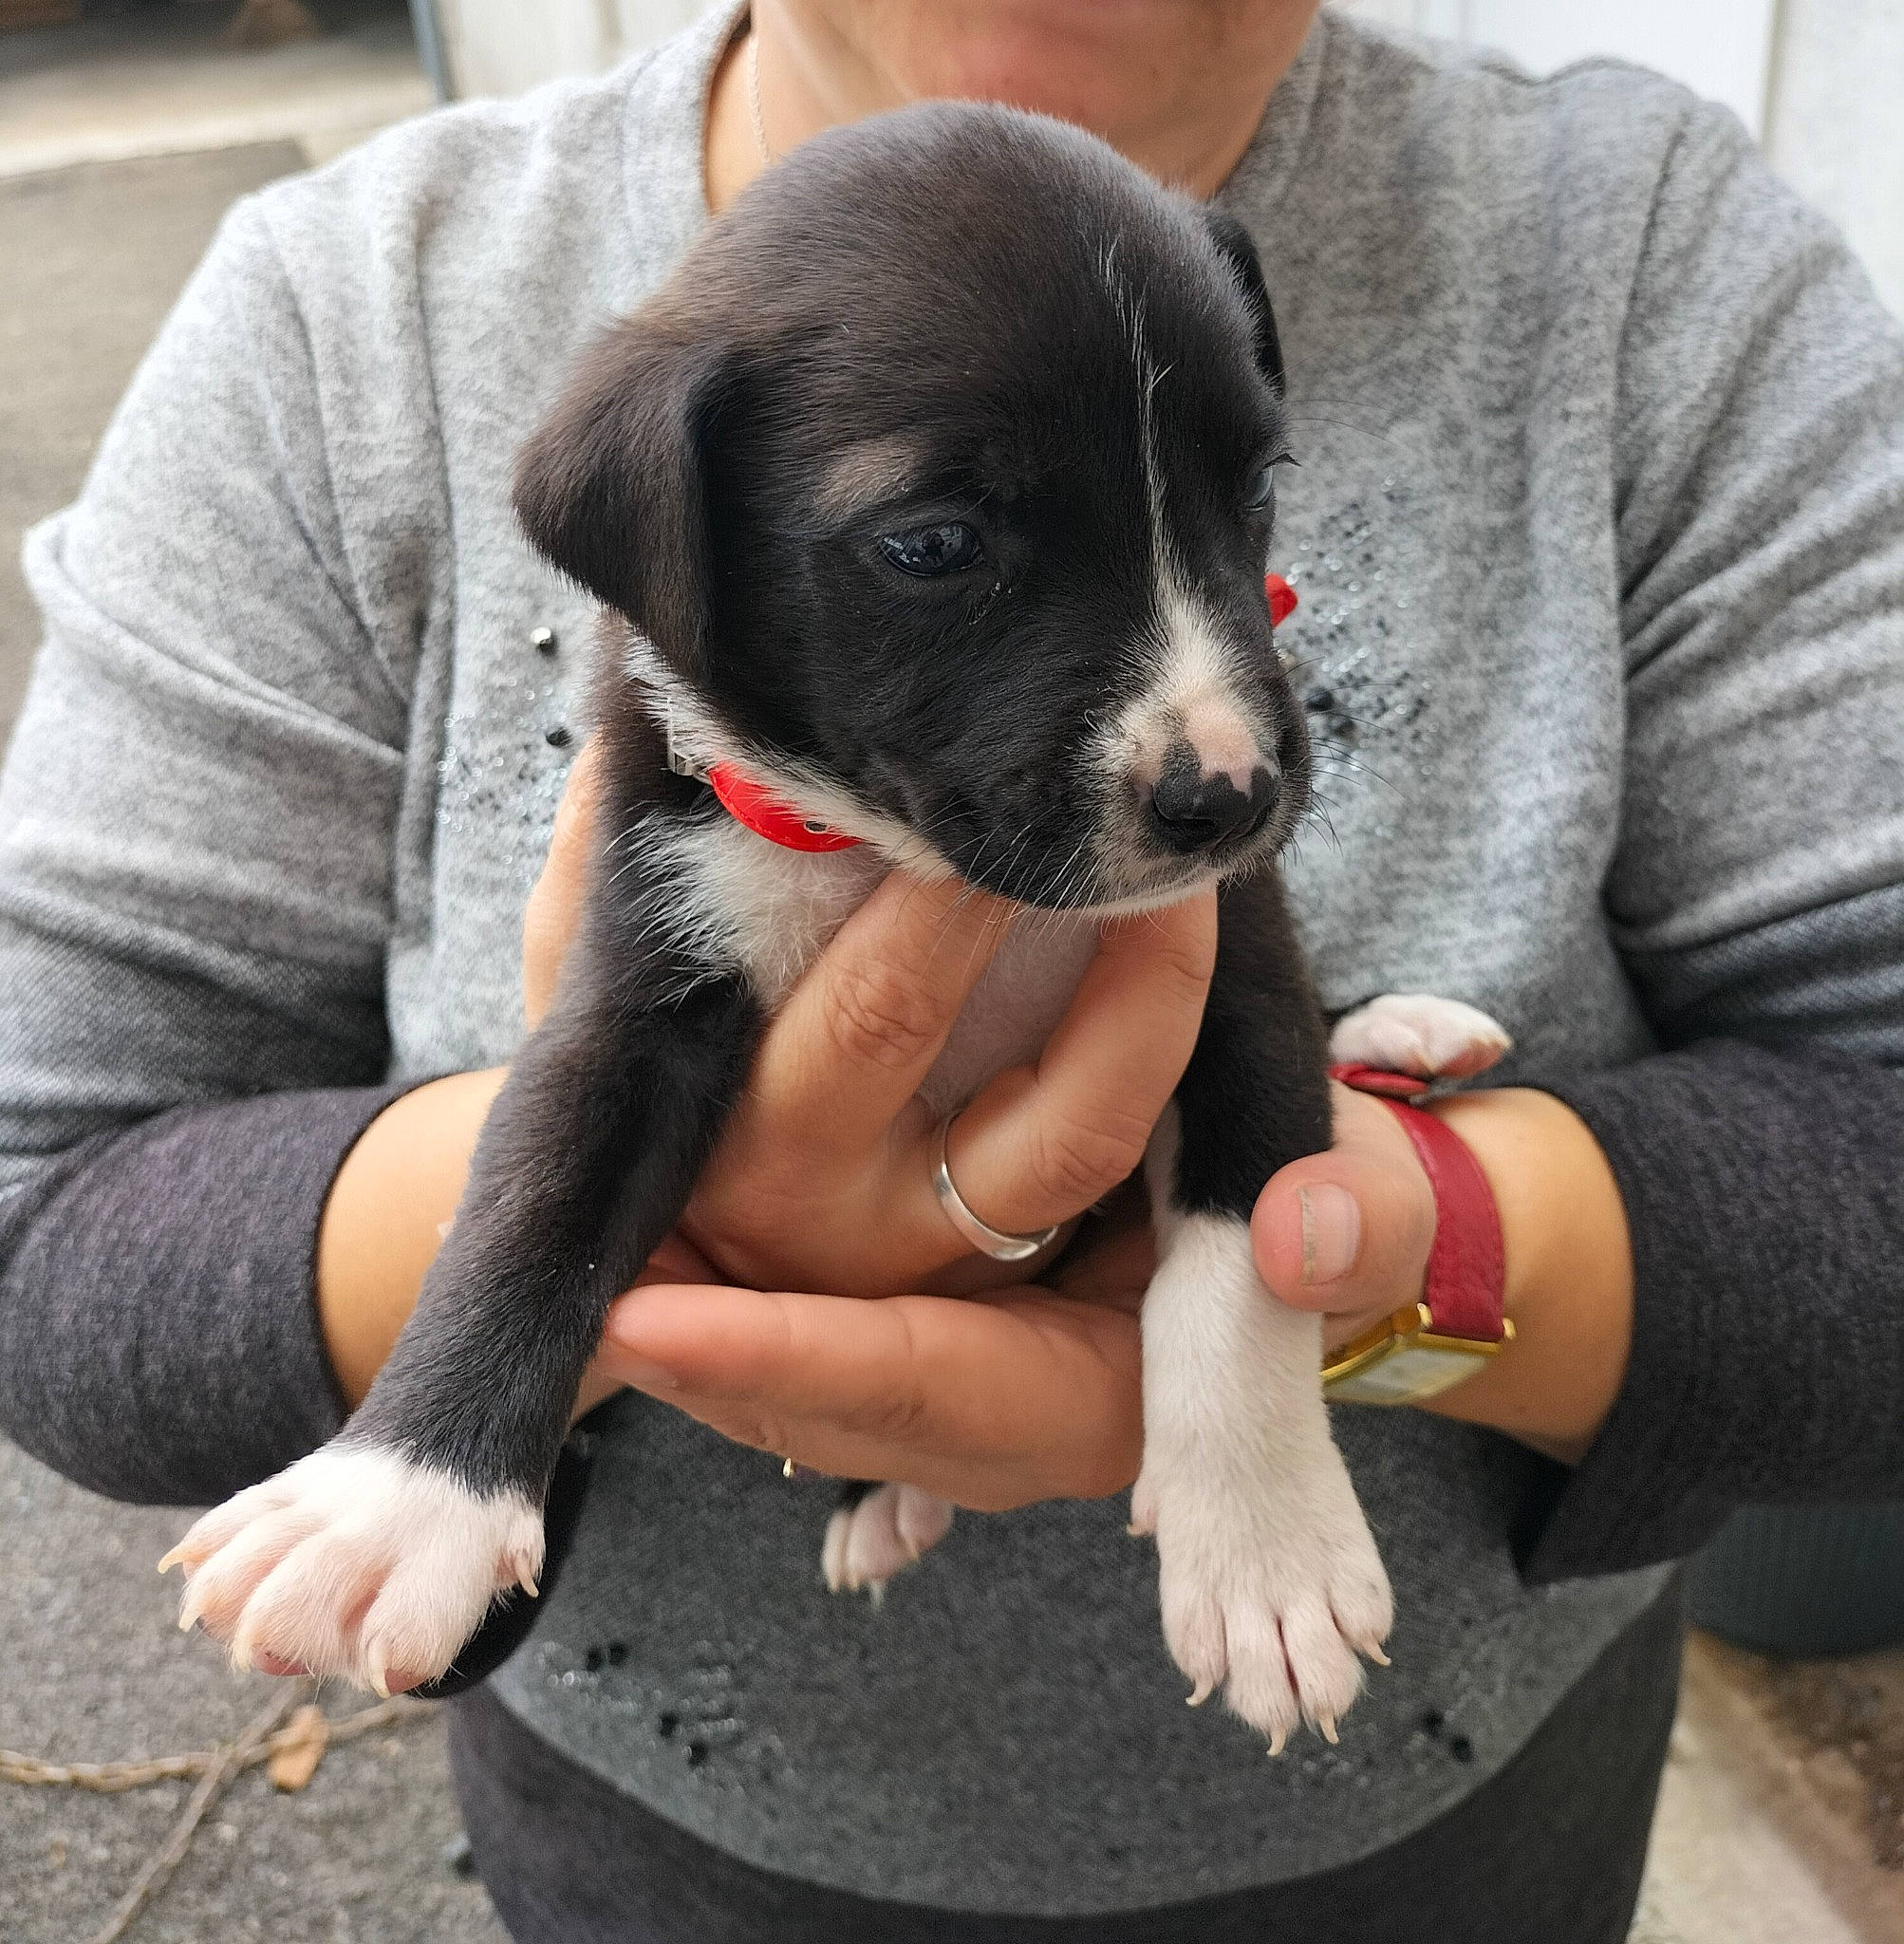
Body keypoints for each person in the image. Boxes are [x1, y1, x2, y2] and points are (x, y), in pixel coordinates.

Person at [2, 2, 1901, 1938]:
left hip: (1456, 1842)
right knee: (642, 1059)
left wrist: (1365, 1290)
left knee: (1239, 1013)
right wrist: (506, 1390)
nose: (1213, 737)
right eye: (935, 548)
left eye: (1231, 502)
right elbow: (70, 1208)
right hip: (666, 1848)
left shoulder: (1646, 253)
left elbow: (1238, 1049)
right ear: (662, 550)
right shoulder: (355, 322)